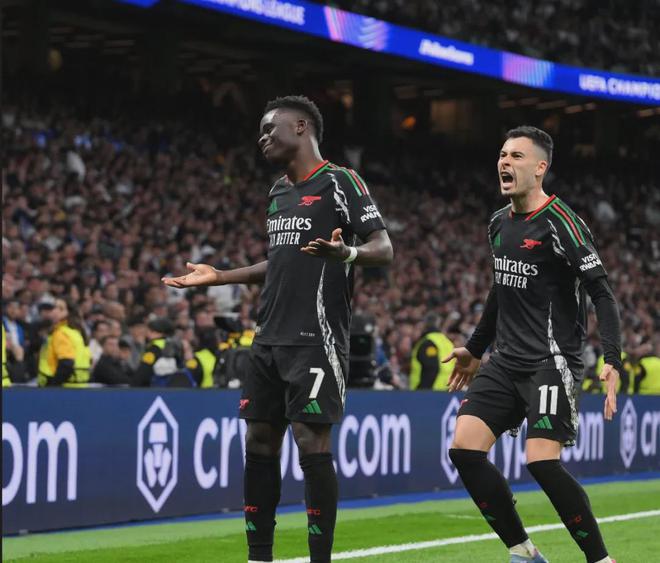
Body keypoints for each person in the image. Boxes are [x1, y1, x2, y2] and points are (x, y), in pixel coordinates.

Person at [163, 95, 393, 563]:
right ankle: (259, 557)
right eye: (261, 132)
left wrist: (346, 253)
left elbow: (383, 247)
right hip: (267, 336)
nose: (263, 138)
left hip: (316, 337)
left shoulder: (340, 181)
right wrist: (219, 276)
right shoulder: (278, 192)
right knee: (258, 441)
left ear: (302, 127)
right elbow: (280, 261)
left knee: (310, 441)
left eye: (271, 129)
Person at [443, 126, 621, 563]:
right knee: (464, 447)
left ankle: (600, 560)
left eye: (517, 156)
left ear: (540, 168)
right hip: (506, 360)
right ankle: (523, 551)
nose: (505, 162)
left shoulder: (562, 223)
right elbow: (499, 290)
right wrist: (476, 348)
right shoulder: (498, 223)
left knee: (541, 461)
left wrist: (612, 358)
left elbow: (602, 293)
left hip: (551, 361)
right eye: (503, 154)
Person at [37, 297, 92, 387]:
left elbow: (66, 363)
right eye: (54, 307)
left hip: (63, 388)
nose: (55, 311)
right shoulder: (75, 332)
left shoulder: (61, 333)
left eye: (61, 309)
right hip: (78, 387)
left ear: (69, 313)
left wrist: (53, 386)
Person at [409, 313, 455, 390]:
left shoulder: (428, 342)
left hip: (431, 391)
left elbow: (431, 367)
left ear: (425, 325)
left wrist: (423, 390)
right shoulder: (447, 342)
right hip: (447, 389)